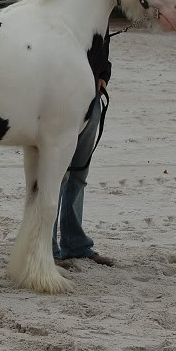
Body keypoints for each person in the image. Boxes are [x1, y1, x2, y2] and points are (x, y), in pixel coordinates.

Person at [52, 30, 115, 269]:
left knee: (79, 173)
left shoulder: (100, 13)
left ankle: (75, 244)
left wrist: (104, 75)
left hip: (92, 95)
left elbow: (103, 49)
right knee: (57, 173)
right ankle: (47, 247)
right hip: (65, 96)